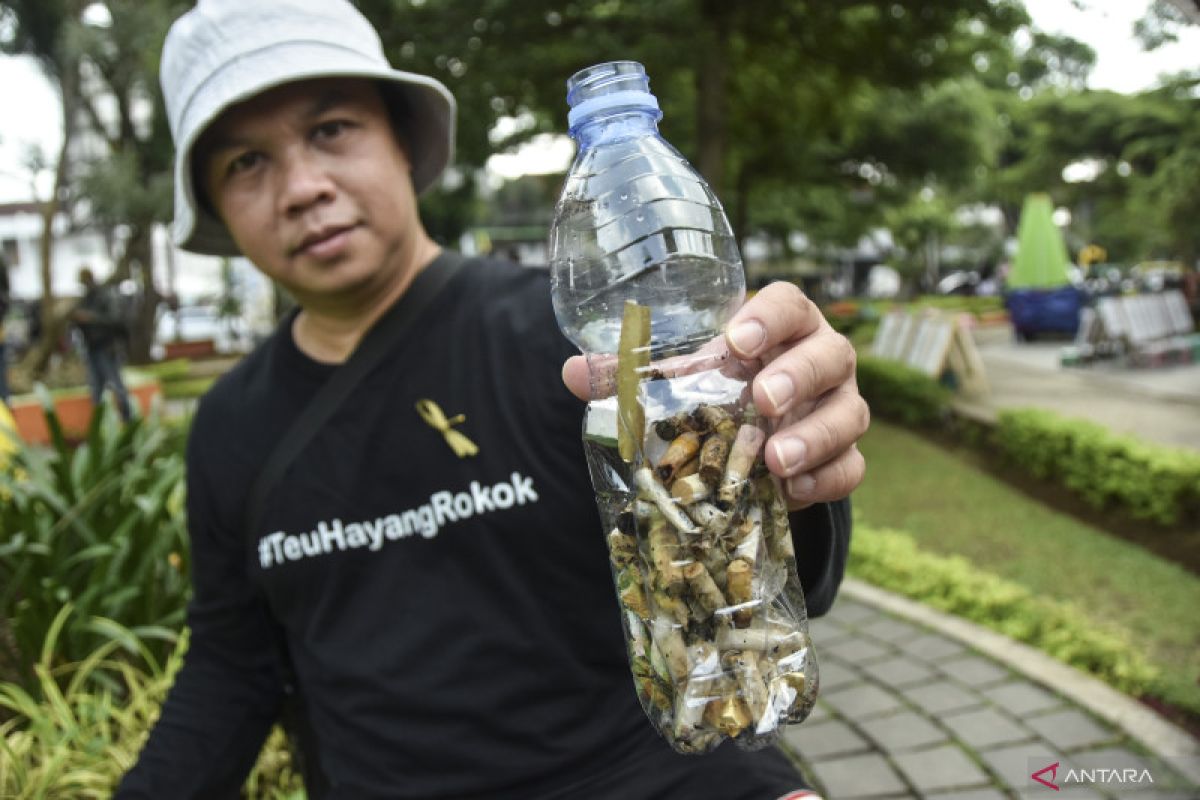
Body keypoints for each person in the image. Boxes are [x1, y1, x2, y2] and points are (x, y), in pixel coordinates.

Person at [117, 1, 869, 798]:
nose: (302, 187)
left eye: (331, 128)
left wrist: (787, 451)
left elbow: (767, 565)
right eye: (245, 163)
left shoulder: (573, 347)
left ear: (402, 140)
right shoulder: (233, 425)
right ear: (216, 209)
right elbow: (233, 668)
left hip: (651, 775)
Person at [71, 266, 132, 420]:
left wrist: (90, 318)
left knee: (117, 387)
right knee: (96, 389)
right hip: (92, 348)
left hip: (107, 347)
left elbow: (114, 320)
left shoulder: (105, 295)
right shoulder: (87, 299)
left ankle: (128, 420)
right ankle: (99, 428)